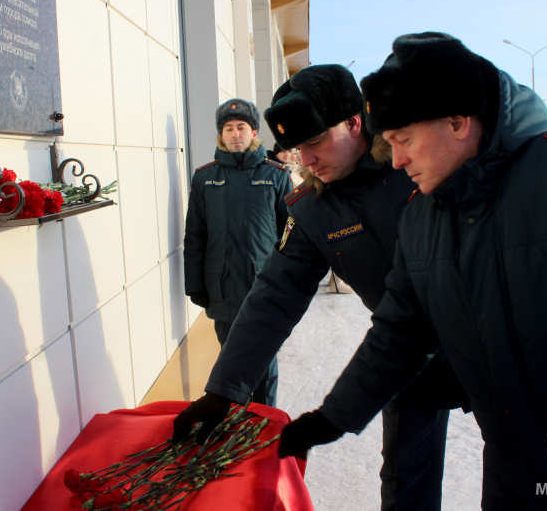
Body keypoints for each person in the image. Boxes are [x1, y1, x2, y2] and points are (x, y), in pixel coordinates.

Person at [277, 32, 547, 511]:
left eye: (404, 139)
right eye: (389, 143)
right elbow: (399, 332)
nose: (396, 160)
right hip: (512, 474)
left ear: (457, 121)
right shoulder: (422, 218)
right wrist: (329, 419)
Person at [174, 65, 467, 510]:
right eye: (296, 147)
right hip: (404, 361)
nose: (304, 160)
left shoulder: (421, 167)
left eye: (314, 141)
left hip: (495, 348)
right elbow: (273, 296)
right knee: (405, 482)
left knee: (527, 475)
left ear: (353, 122)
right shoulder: (313, 209)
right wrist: (223, 392)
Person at [183, 98, 292, 407]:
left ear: (254, 131)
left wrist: (287, 282)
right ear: (221, 134)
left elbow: (292, 234)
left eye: (241, 127)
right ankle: (238, 424)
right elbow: (195, 236)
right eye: (228, 128)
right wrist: (195, 284)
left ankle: (264, 422)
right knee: (230, 360)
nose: (235, 134)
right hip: (223, 288)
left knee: (264, 361)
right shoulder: (205, 178)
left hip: (264, 286)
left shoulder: (276, 175)